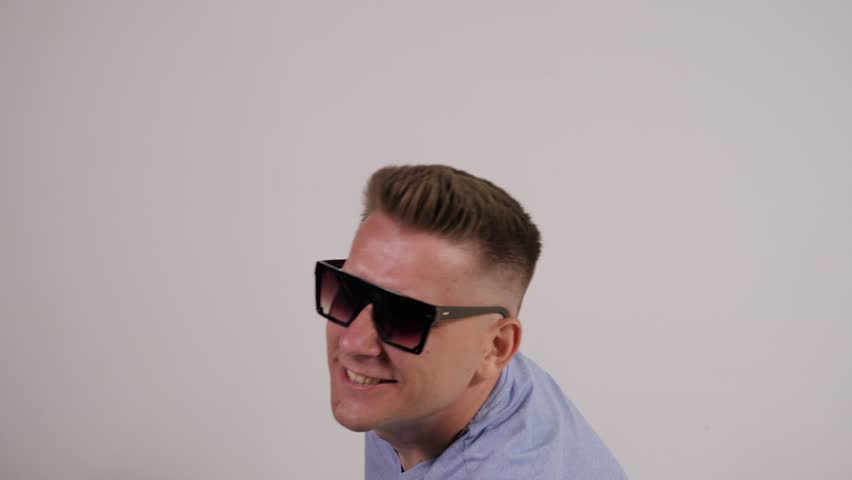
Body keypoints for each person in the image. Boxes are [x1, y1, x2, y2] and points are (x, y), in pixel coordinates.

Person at [315, 165, 627, 479]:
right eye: (351, 292)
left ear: (496, 347)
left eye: (404, 317)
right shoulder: (437, 383)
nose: (354, 341)